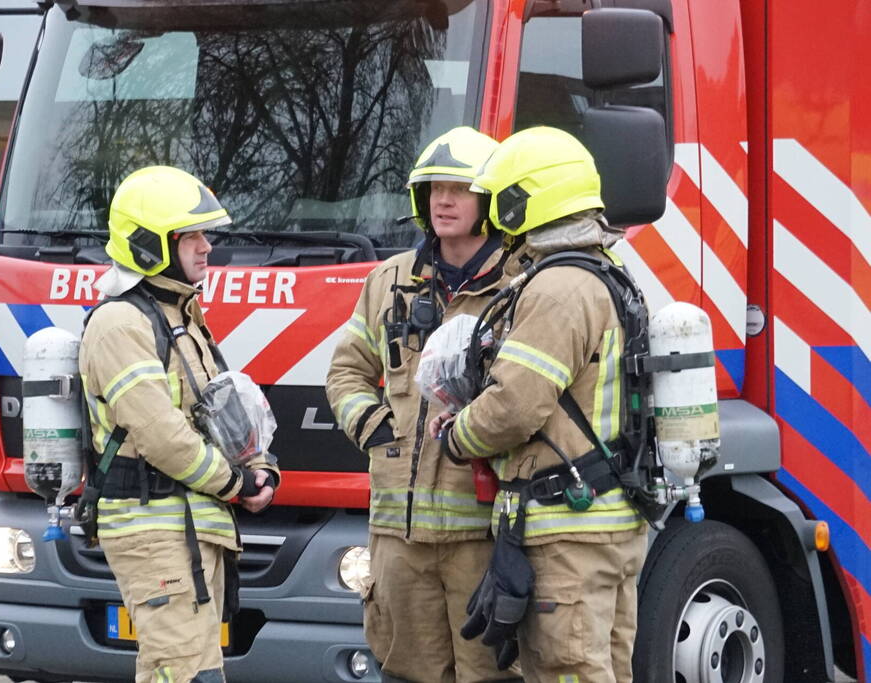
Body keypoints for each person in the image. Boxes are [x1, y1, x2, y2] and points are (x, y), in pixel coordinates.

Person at [430, 126, 648, 683]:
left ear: (525, 199)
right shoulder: (609, 274)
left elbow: (515, 406)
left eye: (502, 200)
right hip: (608, 521)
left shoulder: (558, 289)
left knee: (566, 668)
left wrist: (456, 436)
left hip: (567, 531)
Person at [326, 126, 521, 683]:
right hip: (397, 538)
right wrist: (377, 430)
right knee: (402, 672)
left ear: (490, 200)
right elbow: (346, 371)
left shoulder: (519, 284)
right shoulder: (389, 281)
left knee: (491, 673)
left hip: (481, 538)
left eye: (460, 188)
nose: (444, 199)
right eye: (434, 188)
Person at [79, 166, 279, 683]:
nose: (206, 246)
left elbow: (222, 411)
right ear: (150, 245)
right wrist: (234, 483)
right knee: (181, 672)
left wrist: (260, 466)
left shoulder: (183, 317)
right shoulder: (119, 323)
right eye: (190, 235)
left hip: (192, 522)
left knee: (199, 669)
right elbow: (159, 433)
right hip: (155, 528)